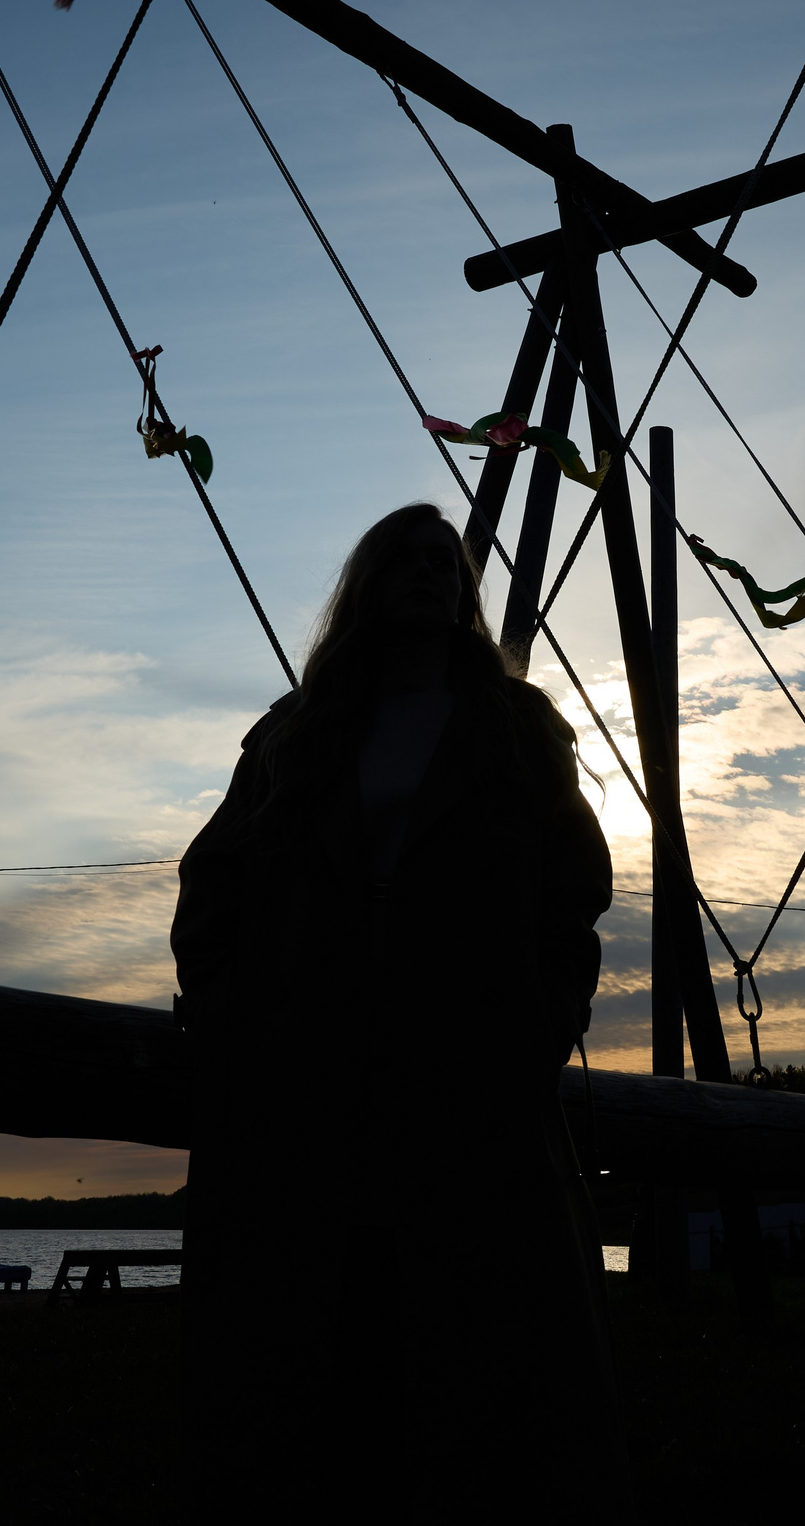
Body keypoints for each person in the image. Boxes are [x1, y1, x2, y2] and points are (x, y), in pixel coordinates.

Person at [170, 502, 621, 1513]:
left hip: (470, 1058)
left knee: (478, 1325)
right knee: (320, 1317)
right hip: (306, 1056)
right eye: (403, 561)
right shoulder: (298, 733)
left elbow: (574, 889)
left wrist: (544, 1018)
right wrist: (226, 1004)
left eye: (444, 563)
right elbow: (216, 877)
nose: (427, 574)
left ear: (463, 593)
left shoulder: (516, 730)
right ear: (367, 584)